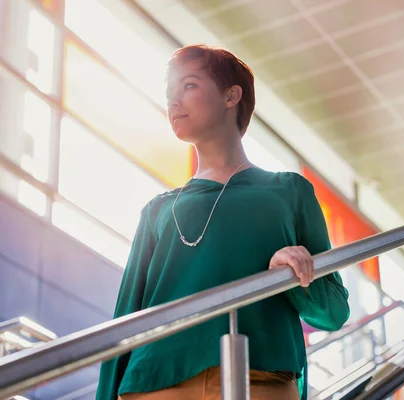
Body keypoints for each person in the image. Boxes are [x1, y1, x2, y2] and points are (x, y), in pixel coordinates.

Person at [96, 44, 350, 400]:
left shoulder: (288, 191)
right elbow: (124, 323)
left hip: (260, 381)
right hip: (154, 385)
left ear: (232, 95)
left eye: (189, 86)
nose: (173, 102)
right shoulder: (158, 210)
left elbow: (333, 311)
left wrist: (291, 276)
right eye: (170, 94)